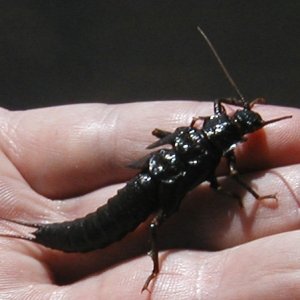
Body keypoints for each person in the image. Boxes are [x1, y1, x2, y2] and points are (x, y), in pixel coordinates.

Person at [0, 101, 299, 299]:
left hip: (147, 184)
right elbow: (226, 182)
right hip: (150, 188)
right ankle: (154, 270)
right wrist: (250, 194)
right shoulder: (217, 157)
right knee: (153, 227)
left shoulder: (195, 133)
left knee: (129, 225)